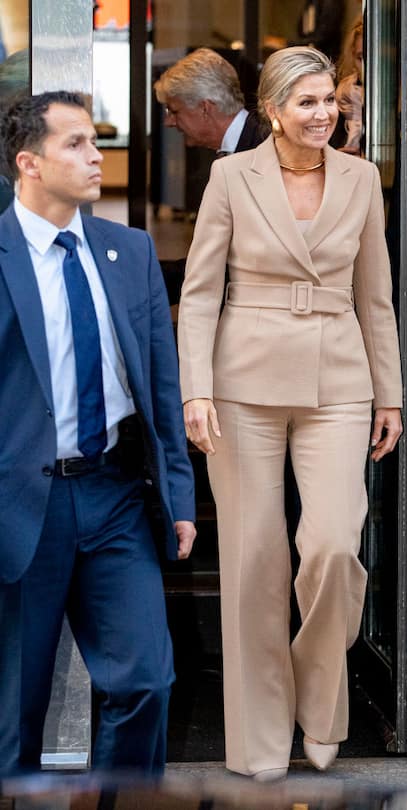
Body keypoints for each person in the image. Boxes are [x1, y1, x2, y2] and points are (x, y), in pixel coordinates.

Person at [177, 46, 403, 781]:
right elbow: (203, 290)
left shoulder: (362, 179)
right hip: (242, 381)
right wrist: (195, 388)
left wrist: (389, 393)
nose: (322, 113)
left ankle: (321, 697)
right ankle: (261, 737)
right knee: (253, 561)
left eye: (328, 101)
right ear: (272, 109)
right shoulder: (229, 177)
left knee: (335, 545)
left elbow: (376, 297)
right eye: (305, 102)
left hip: (340, 380)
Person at [0, 91, 196, 777]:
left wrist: (178, 496)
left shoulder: (127, 250)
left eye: (95, 141)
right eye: (76, 144)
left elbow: (159, 387)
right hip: (23, 506)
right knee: (12, 714)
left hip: (114, 497)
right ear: (29, 163)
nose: (95, 156)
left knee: (145, 682)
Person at [154, 48, 262, 156]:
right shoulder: (232, 150)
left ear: (205, 109)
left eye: (174, 111)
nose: (168, 122)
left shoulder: (267, 148)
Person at [335, 15, 364, 155]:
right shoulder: (336, 105)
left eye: (379, 58)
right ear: (352, 57)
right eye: (361, 58)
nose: (368, 67)